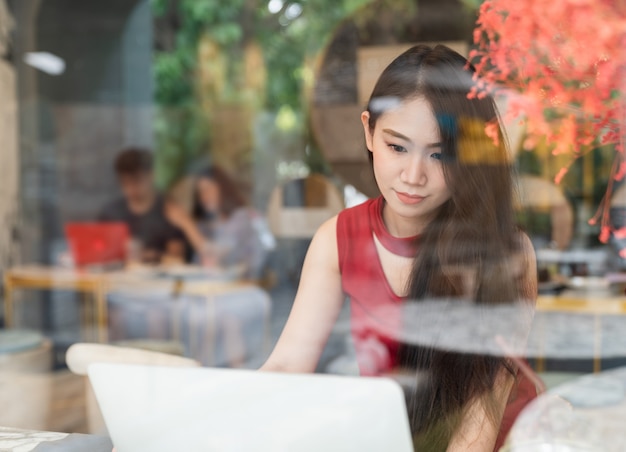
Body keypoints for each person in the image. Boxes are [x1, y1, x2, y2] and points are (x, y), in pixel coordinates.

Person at [261, 45, 537, 451]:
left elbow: (485, 409)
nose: (413, 176)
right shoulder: (337, 239)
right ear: (369, 131)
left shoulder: (505, 249)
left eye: (440, 154)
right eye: (397, 147)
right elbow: (287, 365)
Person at [99, 147, 206, 265]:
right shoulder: (111, 213)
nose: (131, 189)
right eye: (125, 183)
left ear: (151, 176)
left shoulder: (168, 211)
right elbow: (99, 252)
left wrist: (153, 257)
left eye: (137, 181)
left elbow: (176, 259)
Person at [191, 166, 275, 279]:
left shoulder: (243, 217)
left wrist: (184, 222)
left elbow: (216, 252)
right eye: (200, 191)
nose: (204, 196)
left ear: (223, 188)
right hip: (216, 289)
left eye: (209, 188)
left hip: (249, 288)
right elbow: (198, 266)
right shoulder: (203, 226)